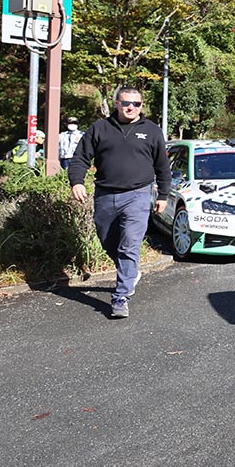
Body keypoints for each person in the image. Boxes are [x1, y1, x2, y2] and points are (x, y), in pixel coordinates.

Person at [68, 86, 169, 319]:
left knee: (129, 244)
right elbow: (81, 157)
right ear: (116, 104)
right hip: (105, 194)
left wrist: (163, 195)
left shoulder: (152, 131)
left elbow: (162, 166)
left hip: (138, 195)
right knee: (107, 240)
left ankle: (121, 296)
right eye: (126, 103)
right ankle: (130, 271)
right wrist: (77, 181)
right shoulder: (100, 128)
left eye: (137, 103)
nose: (131, 107)